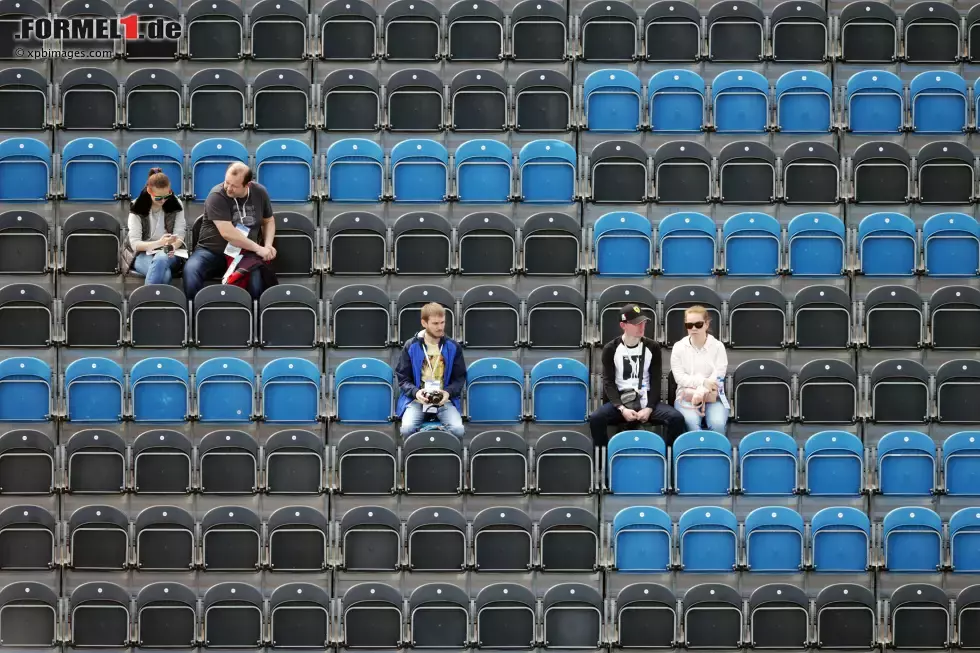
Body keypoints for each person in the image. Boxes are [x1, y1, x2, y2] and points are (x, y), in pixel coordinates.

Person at [589, 303, 686, 447]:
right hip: (621, 401)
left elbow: (655, 380)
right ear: (623, 325)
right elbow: (608, 382)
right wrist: (621, 408)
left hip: (645, 399)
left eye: (643, 323)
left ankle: (666, 457)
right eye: (636, 323)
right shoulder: (611, 348)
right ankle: (605, 457)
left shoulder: (652, 347)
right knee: (596, 419)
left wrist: (649, 408)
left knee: (676, 418)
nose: (641, 327)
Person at [183, 162, 277, 300]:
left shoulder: (259, 192)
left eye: (234, 186)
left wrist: (268, 245)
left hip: (244, 253)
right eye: (227, 182)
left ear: (247, 185)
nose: (228, 188)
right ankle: (195, 313)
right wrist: (258, 248)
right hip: (212, 251)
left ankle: (253, 316)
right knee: (191, 270)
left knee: (256, 276)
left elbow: (268, 221)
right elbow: (228, 233)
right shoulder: (216, 195)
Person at [396, 303, 466, 439]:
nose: (440, 327)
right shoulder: (411, 346)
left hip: (443, 400)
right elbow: (403, 378)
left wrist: (448, 392)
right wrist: (416, 393)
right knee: (406, 429)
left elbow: (459, 378)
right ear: (424, 323)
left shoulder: (453, 347)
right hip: (417, 400)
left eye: (442, 322)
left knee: (458, 430)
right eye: (435, 323)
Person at [670, 305, 730, 433]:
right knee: (691, 424)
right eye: (689, 325)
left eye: (698, 324)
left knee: (717, 424)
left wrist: (701, 392)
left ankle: (717, 452)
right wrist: (703, 382)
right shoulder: (679, 347)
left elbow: (718, 376)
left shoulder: (718, 347)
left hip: (713, 397)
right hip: (686, 396)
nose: (693, 328)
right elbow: (680, 378)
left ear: (706, 324)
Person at [122, 168, 186, 285]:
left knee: (161, 257)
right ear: (149, 191)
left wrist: (168, 247)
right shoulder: (137, 206)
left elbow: (180, 235)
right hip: (142, 254)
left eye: (167, 196)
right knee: (165, 276)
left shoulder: (176, 204)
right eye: (158, 198)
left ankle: (145, 301)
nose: (163, 201)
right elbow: (135, 244)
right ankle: (152, 301)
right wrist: (159, 243)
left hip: (170, 252)